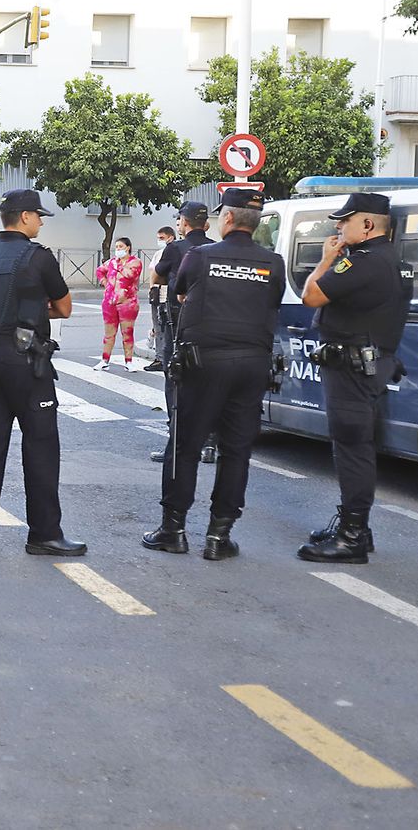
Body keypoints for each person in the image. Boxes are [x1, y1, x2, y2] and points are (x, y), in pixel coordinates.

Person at [142, 189, 284, 560]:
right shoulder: (273, 263)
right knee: (236, 451)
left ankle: (173, 530)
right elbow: (272, 301)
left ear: (228, 219)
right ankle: (219, 537)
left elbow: (179, 291)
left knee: (185, 447)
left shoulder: (200, 256)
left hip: (203, 363)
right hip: (252, 364)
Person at [0, 190, 85, 556]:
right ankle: (44, 534)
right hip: (27, 361)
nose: (42, 222)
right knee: (41, 446)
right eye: (39, 215)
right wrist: (34, 311)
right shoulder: (38, 258)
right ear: (26, 217)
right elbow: (64, 308)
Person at [297, 192, 413, 563]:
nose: (338, 226)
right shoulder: (389, 259)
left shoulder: (365, 261)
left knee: (351, 448)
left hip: (352, 366)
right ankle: (356, 526)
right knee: (356, 445)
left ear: (367, 225)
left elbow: (311, 295)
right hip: (368, 362)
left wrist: (326, 260)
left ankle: (352, 537)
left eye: (345, 220)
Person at [149, 202, 214, 463]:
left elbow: (156, 278)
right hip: (210, 324)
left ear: (185, 223)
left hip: (179, 325)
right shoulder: (214, 248)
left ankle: (176, 441)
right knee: (207, 383)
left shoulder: (174, 248)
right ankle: (209, 443)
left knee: (175, 381)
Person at [94, 237, 145, 371]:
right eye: (116, 247)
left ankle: (128, 361)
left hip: (127, 303)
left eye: (120, 247)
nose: (118, 250)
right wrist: (105, 283)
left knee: (127, 333)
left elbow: (130, 275)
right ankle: (105, 360)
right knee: (109, 333)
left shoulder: (135, 262)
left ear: (128, 247)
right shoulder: (112, 262)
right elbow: (99, 270)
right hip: (109, 302)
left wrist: (117, 266)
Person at [144, 226, 176, 371]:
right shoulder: (158, 254)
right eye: (158, 238)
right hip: (156, 294)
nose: (159, 241)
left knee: (166, 328)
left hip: (167, 295)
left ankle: (166, 358)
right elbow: (153, 272)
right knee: (157, 327)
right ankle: (159, 358)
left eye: (162, 238)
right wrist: (152, 290)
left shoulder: (173, 251)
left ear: (171, 237)